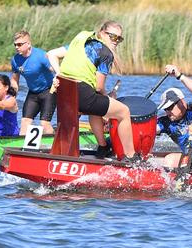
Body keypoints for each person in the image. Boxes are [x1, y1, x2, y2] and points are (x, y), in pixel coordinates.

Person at [48, 21, 136, 161]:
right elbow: (99, 87)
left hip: (63, 94)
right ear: (102, 33)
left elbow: (51, 54)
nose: (116, 41)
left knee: (96, 109)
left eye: (119, 38)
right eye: (113, 36)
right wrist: (109, 97)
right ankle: (132, 158)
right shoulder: (106, 53)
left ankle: (102, 147)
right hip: (82, 95)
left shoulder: (80, 41)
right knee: (124, 112)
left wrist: (59, 75)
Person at [10, 30, 59, 136]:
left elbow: (56, 71)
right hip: (33, 93)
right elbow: (14, 79)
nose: (17, 47)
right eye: (15, 45)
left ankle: (55, 142)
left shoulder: (41, 56)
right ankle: (22, 145)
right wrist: (12, 95)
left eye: (19, 44)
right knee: (25, 122)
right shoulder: (15, 60)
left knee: (44, 123)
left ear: (28, 44)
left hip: (49, 91)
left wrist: (58, 78)